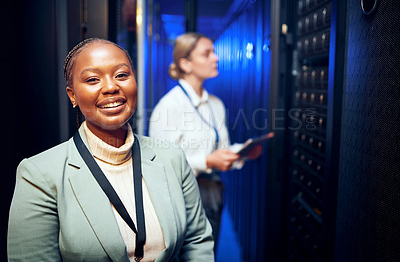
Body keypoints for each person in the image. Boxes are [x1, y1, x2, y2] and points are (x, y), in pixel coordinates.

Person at [7, 38, 214, 261]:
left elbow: (197, 242)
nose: (111, 87)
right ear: (72, 95)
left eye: (122, 75)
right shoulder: (39, 174)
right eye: (93, 79)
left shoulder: (172, 157)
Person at [149, 32, 262, 251]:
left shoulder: (216, 104)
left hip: (213, 192)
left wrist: (243, 152)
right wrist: (207, 161)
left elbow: (221, 149)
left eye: (214, 52)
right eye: (207, 53)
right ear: (186, 63)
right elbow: (161, 166)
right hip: (182, 198)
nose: (216, 58)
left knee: (207, 254)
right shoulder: (170, 106)